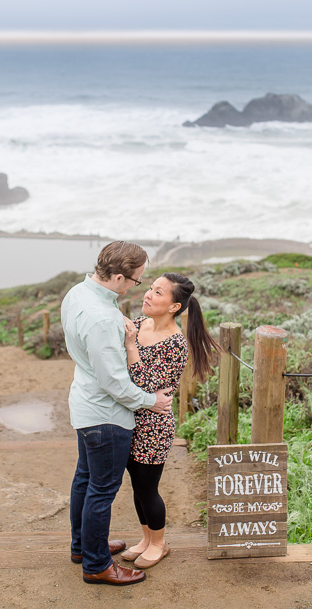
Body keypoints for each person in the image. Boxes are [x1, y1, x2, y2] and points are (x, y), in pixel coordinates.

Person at [61, 241, 173, 586]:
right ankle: (96, 565)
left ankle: (84, 545)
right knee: (101, 489)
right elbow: (114, 382)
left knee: (85, 479)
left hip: (85, 403)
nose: (137, 288)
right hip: (105, 416)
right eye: (137, 281)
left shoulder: (78, 293)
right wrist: (149, 400)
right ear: (120, 277)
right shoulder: (102, 318)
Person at [120, 273, 219, 569]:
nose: (148, 295)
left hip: (154, 426)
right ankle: (146, 539)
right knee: (136, 487)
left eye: (158, 292)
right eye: (150, 288)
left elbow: (148, 385)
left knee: (147, 489)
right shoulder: (138, 324)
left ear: (174, 306)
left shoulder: (176, 343)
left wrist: (130, 348)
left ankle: (160, 544)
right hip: (128, 419)